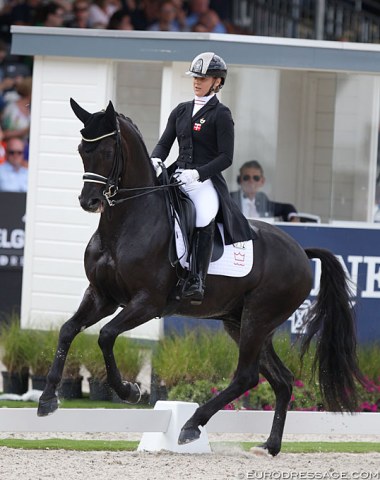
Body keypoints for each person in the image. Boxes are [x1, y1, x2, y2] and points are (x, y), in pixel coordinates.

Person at [150, 52, 254, 304]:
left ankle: (197, 279)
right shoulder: (181, 110)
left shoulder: (221, 114)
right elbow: (165, 143)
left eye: (203, 78)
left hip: (204, 180)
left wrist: (198, 174)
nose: (197, 82)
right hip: (177, 174)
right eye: (195, 77)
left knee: (205, 214)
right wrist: (155, 159)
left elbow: (226, 157)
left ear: (217, 82)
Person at [230, 160, 299, 222]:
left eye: (256, 178)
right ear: (239, 180)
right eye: (246, 177)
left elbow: (287, 208)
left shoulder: (262, 200)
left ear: (262, 181)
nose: (251, 181)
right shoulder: (230, 198)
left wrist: (293, 218)